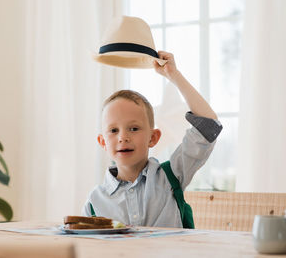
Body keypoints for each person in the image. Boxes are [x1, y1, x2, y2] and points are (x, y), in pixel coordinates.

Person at [82, 51, 222, 228]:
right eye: (113, 130)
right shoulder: (94, 204)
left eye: (134, 128)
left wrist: (174, 75)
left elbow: (209, 126)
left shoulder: (172, 175)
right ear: (103, 142)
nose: (123, 137)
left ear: (153, 138)